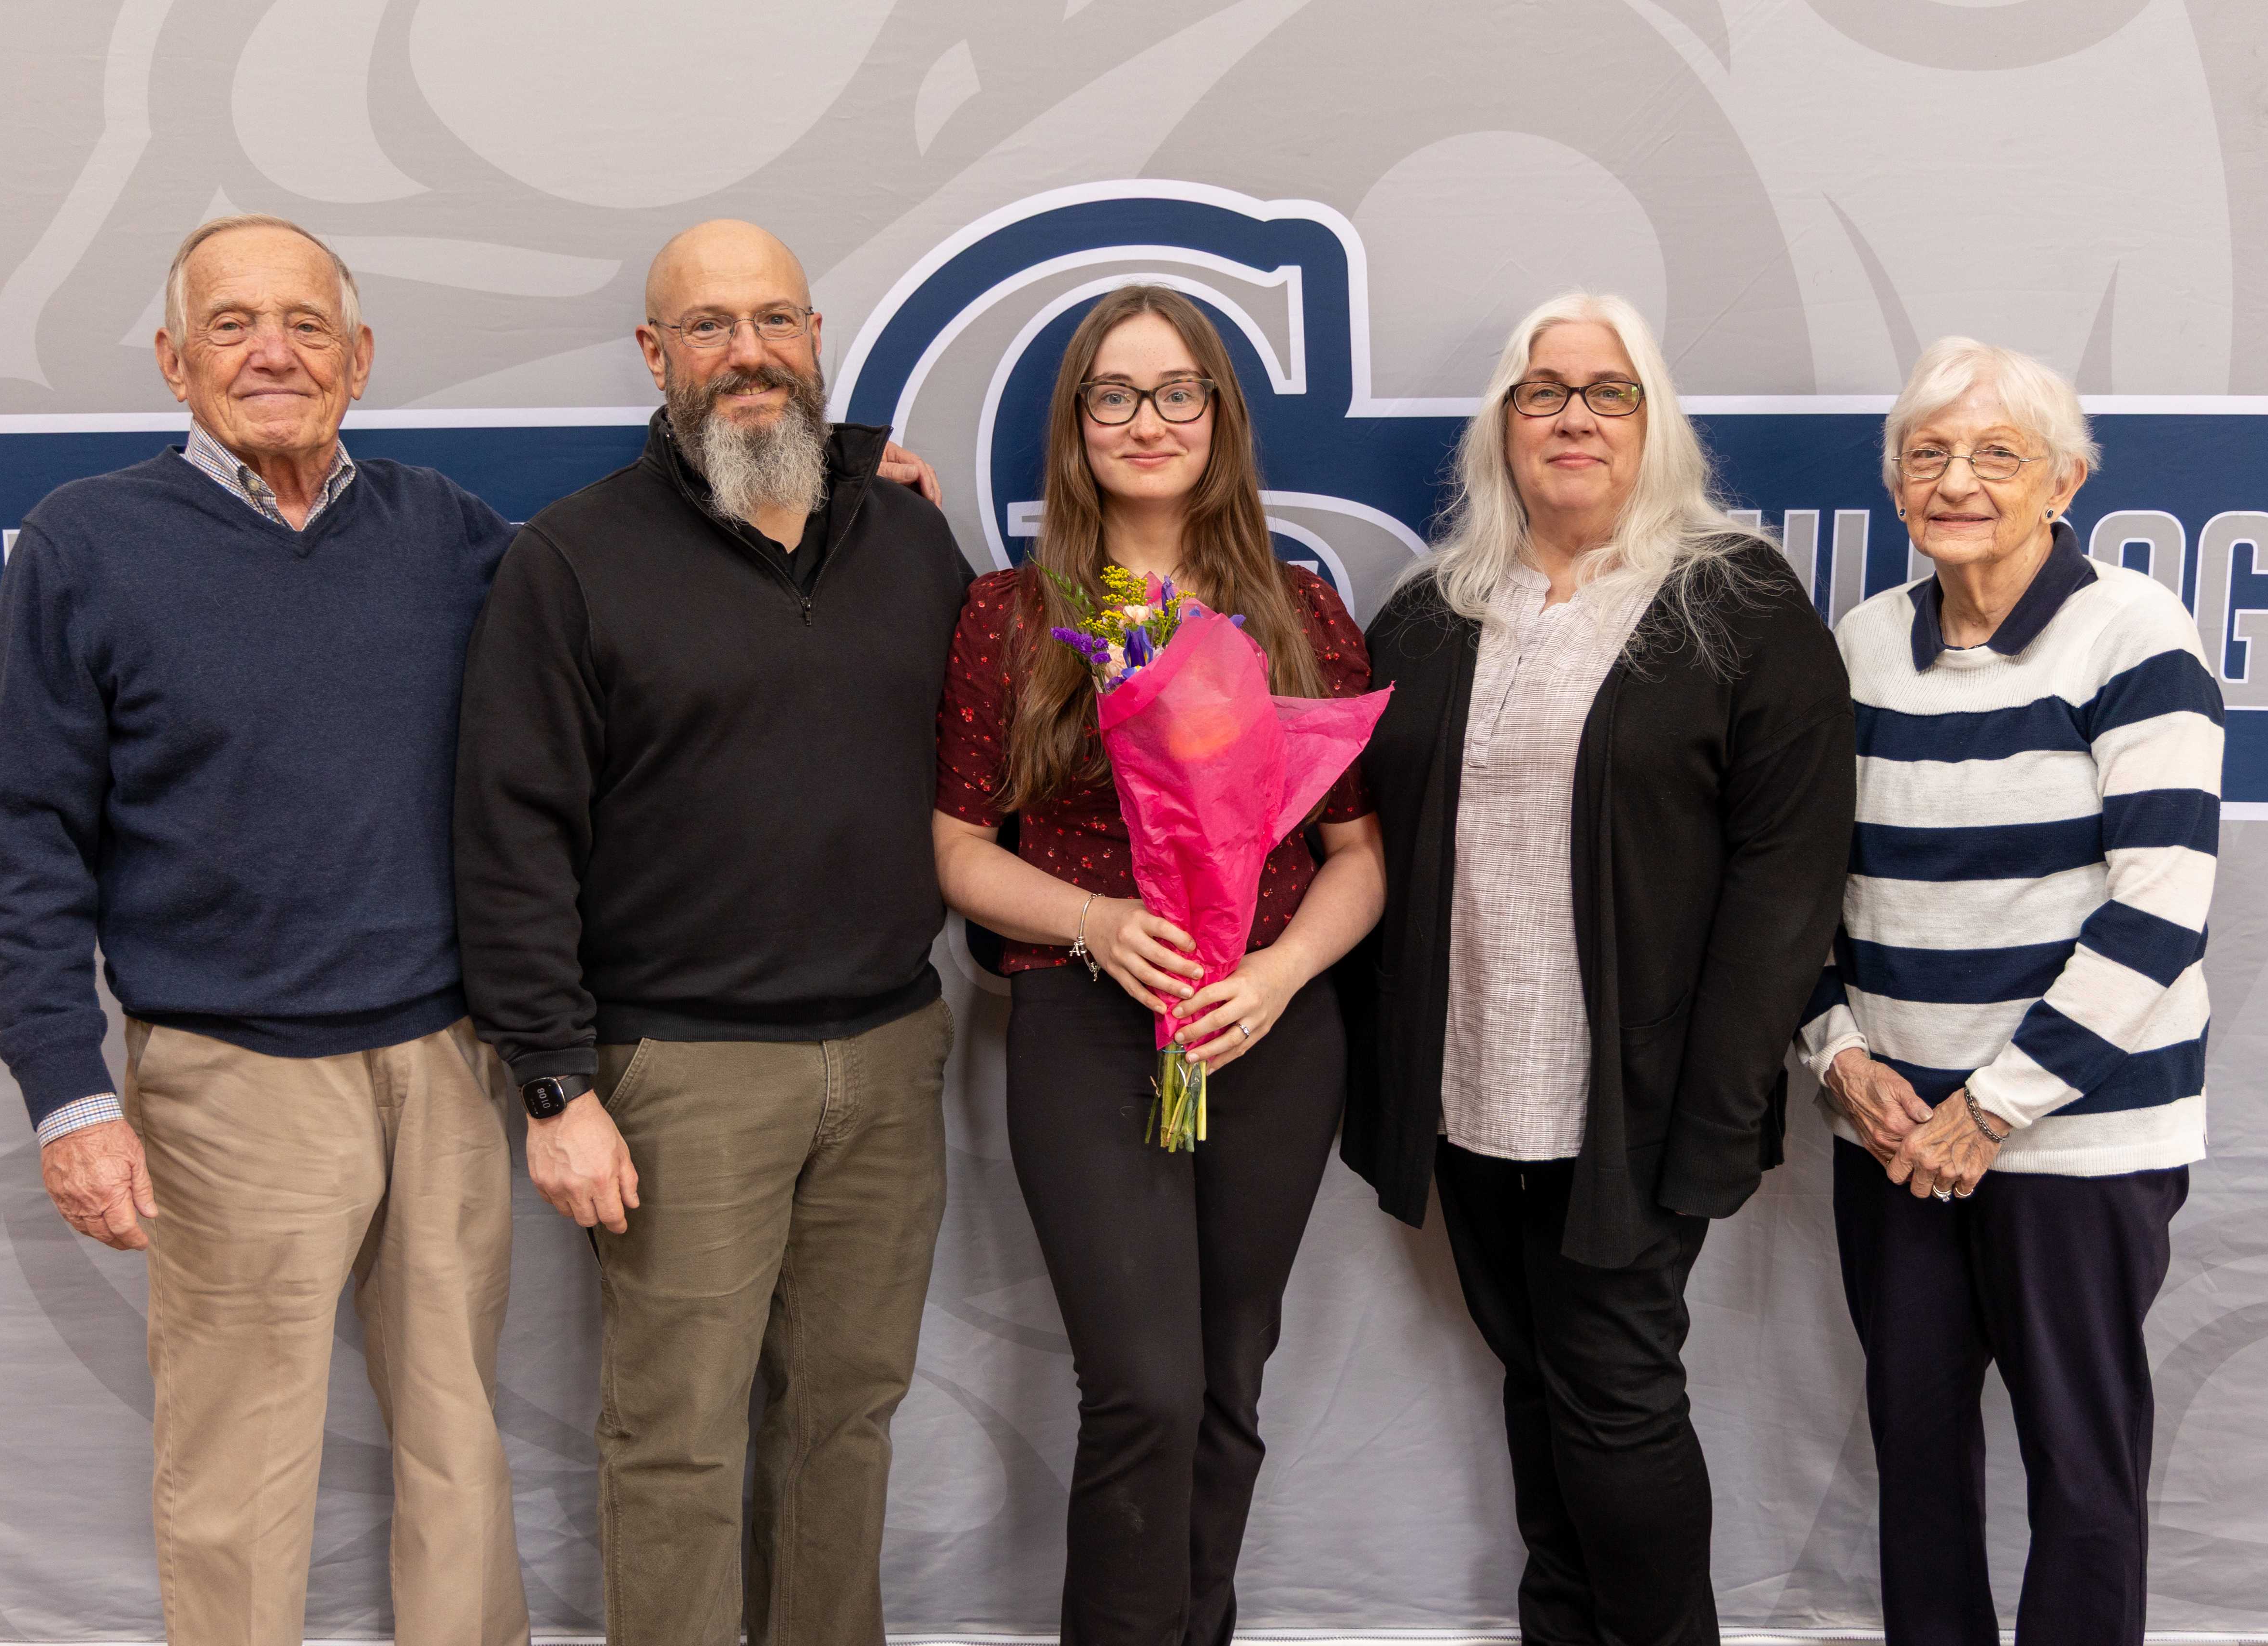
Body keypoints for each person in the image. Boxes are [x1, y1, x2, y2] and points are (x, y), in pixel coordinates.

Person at [0, 213, 530, 1646]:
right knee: (240, 1468)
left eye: (302, 323)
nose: (272, 351)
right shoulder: (90, 545)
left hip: (446, 1062)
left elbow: (635, 611)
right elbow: (28, 841)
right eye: (231, 325)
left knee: (461, 1446)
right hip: (230, 1080)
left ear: (357, 358)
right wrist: (69, 1096)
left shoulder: (448, 533)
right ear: (172, 361)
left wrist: (837, 487)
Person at [453, 218, 970, 1646]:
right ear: (654, 356)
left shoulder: (912, 537)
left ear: (816, 343)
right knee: (675, 1439)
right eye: (708, 326)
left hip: (885, 1050)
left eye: (776, 322)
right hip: (678, 1072)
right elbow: (510, 844)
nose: (747, 352)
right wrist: (556, 1089)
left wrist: (871, 460)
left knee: (844, 1420)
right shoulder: (571, 563)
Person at [1343, 291, 1855, 1646]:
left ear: (1652, 424)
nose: (1572, 416)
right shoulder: (1433, 614)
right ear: (1502, 431)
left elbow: (1785, 875)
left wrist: (1719, 1098)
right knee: (1540, 1378)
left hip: (1630, 1101)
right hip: (1468, 1092)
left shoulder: (1733, 602)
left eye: (1606, 391)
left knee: (1613, 1392)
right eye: (1541, 392)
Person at [931, 284, 1384, 1646]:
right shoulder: (1012, 615)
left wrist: (1280, 971)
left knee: (1229, 1381)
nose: (1146, 420)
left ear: (1218, 417)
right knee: (1141, 1387)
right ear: (1075, 426)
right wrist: (1095, 921)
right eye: (1113, 394)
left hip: (1267, 1036)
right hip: (1086, 1024)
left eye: (1175, 390)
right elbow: (955, 847)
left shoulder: (1296, 610)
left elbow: (1360, 858)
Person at [1798, 337, 2220, 1646]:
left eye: (1997, 454)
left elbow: (2158, 906)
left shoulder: (2133, 635)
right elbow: (1799, 882)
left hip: (2073, 1139)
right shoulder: (1860, 648)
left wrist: (1988, 1110)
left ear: (2065, 483)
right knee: (1915, 1460)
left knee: (2079, 1471)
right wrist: (1833, 1055)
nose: (1956, 481)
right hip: (1888, 1132)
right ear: (1893, 488)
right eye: (1925, 455)